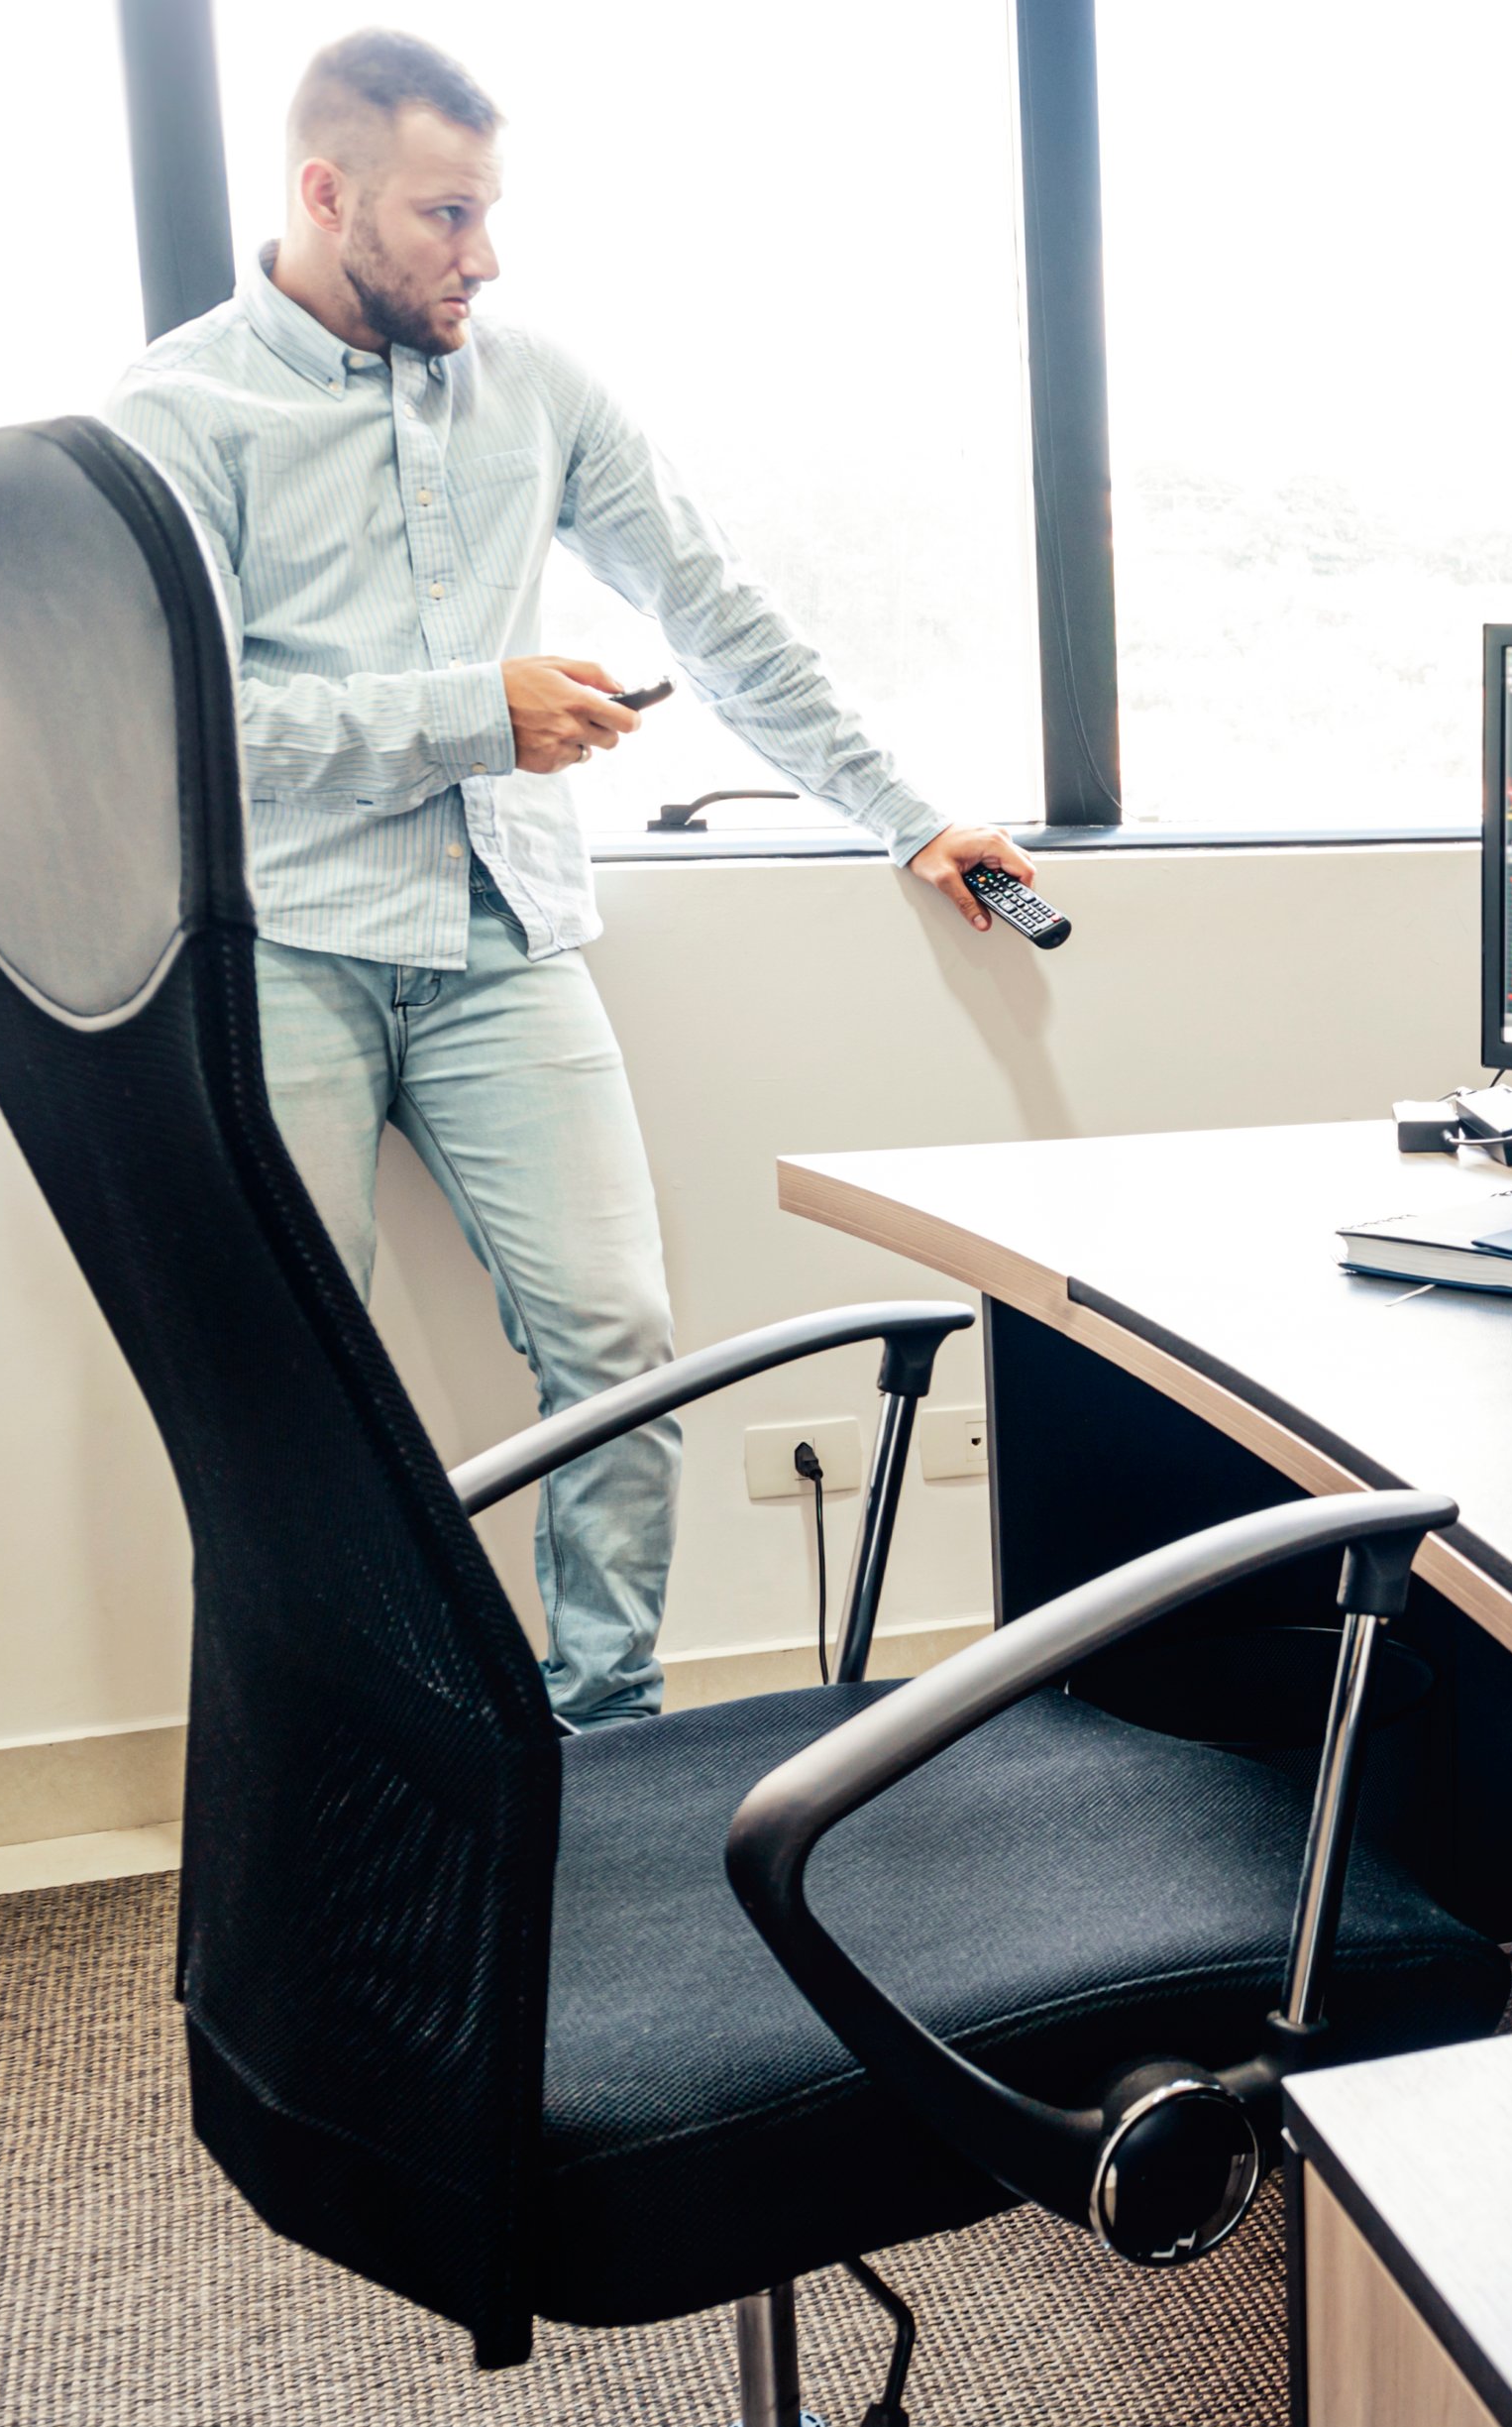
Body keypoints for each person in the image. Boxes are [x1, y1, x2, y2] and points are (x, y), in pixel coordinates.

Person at [105, 29, 1037, 1727]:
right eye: (446, 216)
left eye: (490, 211)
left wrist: (907, 815)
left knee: (615, 1346)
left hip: (505, 942)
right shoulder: (173, 413)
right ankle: (344, 1767)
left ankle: (601, 1732)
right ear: (326, 195)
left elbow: (716, 609)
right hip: (281, 947)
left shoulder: (535, 383)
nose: (485, 255)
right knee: (291, 1399)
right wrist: (477, 710)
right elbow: (179, 713)